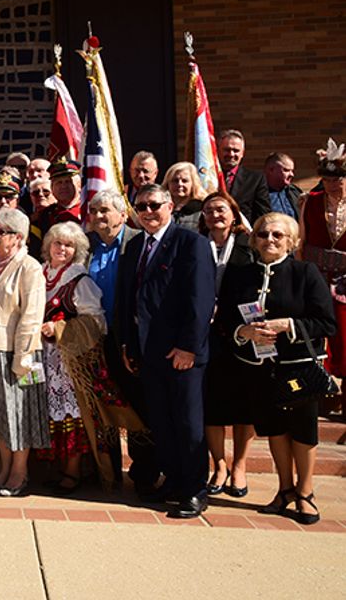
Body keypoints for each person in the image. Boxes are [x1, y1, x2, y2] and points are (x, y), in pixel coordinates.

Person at [214, 213, 337, 525]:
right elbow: (226, 319)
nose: (270, 240)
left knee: (304, 431)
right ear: (254, 239)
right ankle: (284, 489)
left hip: (296, 369)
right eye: (264, 234)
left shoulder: (305, 272)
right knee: (273, 429)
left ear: (291, 241)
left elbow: (326, 323)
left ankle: (305, 493)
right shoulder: (240, 274)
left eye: (278, 235)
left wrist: (288, 325)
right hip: (257, 368)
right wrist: (245, 332)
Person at [115, 184, 215, 518]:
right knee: (161, 423)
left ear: (170, 206)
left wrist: (189, 347)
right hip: (147, 354)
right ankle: (173, 481)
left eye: (154, 205)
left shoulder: (192, 245)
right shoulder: (134, 248)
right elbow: (127, 300)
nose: (147, 212)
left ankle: (195, 490)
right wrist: (128, 344)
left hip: (182, 354)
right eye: (140, 207)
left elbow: (200, 302)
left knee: (188, 424)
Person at [0, 207, 48, 496]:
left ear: (18, 237)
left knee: (19, 414)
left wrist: (23, 358)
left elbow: (31, 316)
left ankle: (19, 472)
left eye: (0, 232)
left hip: (17, 353)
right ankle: (4, 468)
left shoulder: (30, 267)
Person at [38, 222, 114, 492]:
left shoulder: (79, 280)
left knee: (71, 415)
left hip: (68, 362)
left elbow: (96, 322)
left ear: (77, 250)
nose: (62, 248)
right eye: (58, 243)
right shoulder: (39, 273)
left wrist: (60, 328)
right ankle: (51, 467)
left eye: (69, 245)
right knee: (46, 414)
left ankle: (72, 471)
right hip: (40, 358)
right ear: (48, 245)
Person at [85, 189, 154, 489]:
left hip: (129, 338)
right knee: (102, 406)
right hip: (94, 339)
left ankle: (145, 470)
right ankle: (107, 469)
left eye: (105, 210)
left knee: (138, 404)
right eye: (95, 211)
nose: (99, 216)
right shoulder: (85, 245)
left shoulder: (138, 244)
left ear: (123, 215)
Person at [198, 192, 255, 499]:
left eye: (220, 210)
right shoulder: (196, 245)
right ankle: (218, 464)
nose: (214, 215)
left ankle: (240, 466)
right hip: (207, 336)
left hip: (241, 334)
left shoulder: (249, 246)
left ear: (234, 214)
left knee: (244, 405)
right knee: (213, 404)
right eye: (208, 211)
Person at [298, 139, 346, 378]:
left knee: (344, 339)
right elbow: (301, 242)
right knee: (314, 334)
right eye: (327, 180)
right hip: (315, 277)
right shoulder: (310, 202)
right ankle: (315, 392)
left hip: (345, 282)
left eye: (337, 179)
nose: (331, 185)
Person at [217, 129, 270, 223]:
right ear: (218, 150)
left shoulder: (256, 179)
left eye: (236, 150)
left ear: (242, 153)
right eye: (227, 150)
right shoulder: (208, 177)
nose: (231, 154)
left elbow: (263, 214)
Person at [162, 162, 207, 230]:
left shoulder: (202, 209)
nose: (180, 184)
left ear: (193, 184)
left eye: (184, 181)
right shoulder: (160, 208)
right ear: (167, 184)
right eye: (175, 181)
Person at [264, 152, 301, 220]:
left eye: (292, 171)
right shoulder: (258, 194)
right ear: (271, 170)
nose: (292, 175)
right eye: (286, 170)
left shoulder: (295, 192)